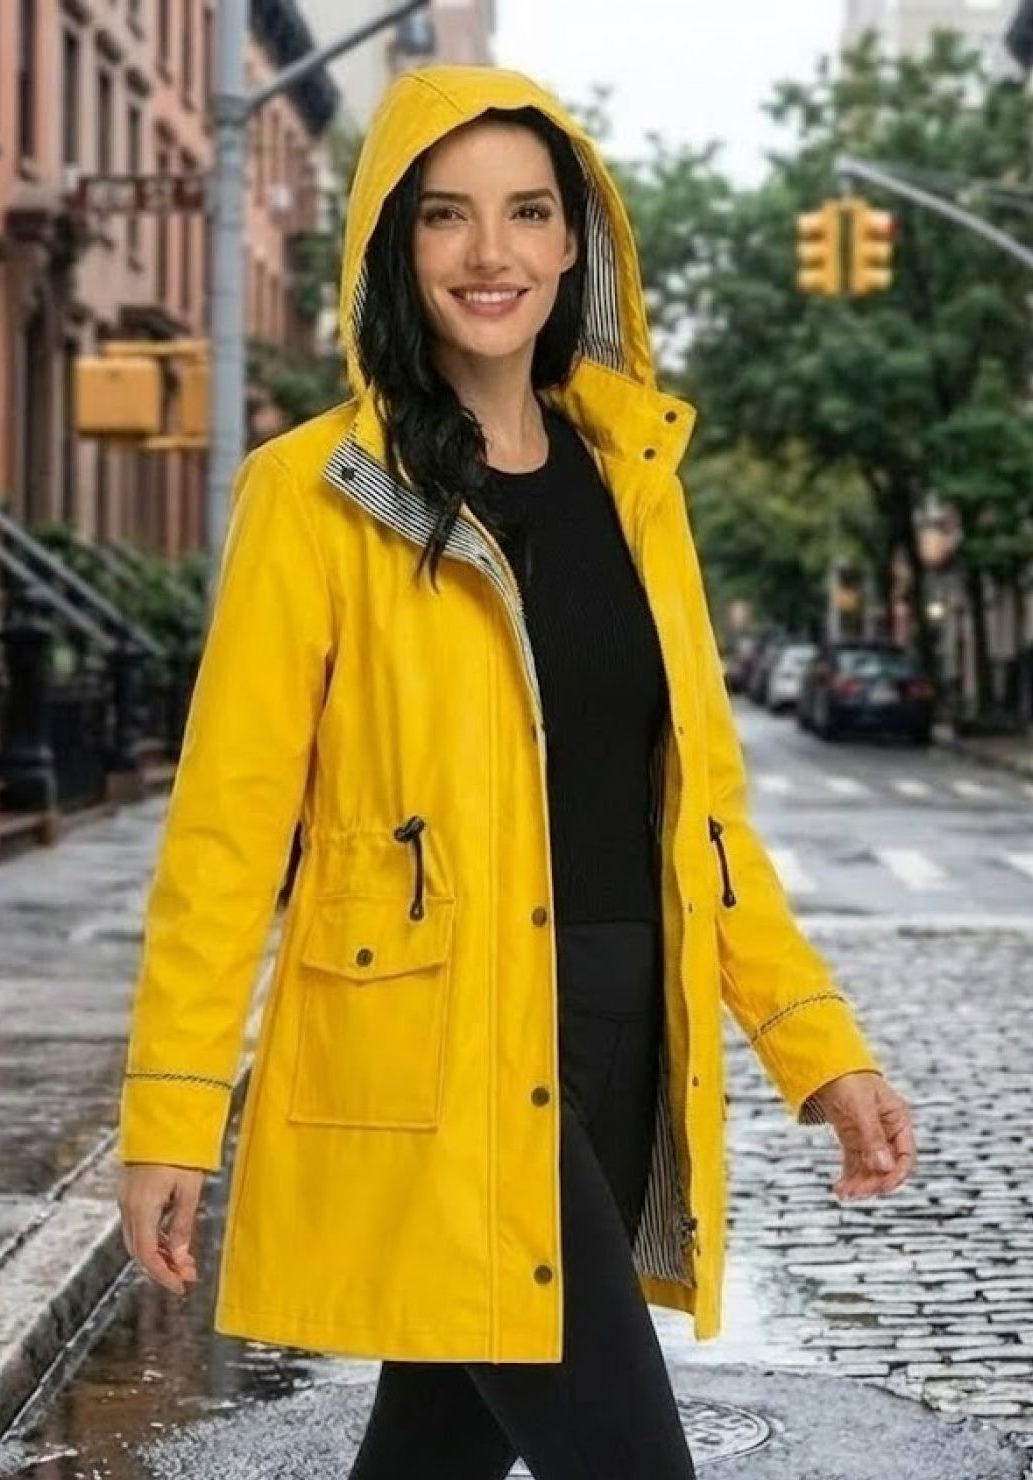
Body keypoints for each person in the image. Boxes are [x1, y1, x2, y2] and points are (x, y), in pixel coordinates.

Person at [116, 64, 917, 1479]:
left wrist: (818, 1046)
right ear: (395, 245)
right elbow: (228, 833)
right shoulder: (317, 494)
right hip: (445, 1056)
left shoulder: (634, 484)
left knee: (432, 1451)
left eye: (528, 212)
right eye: (447, 214)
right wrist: (173, 1107)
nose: (491, 252)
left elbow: (703, 820)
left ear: (573, 242)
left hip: (621, 1035)